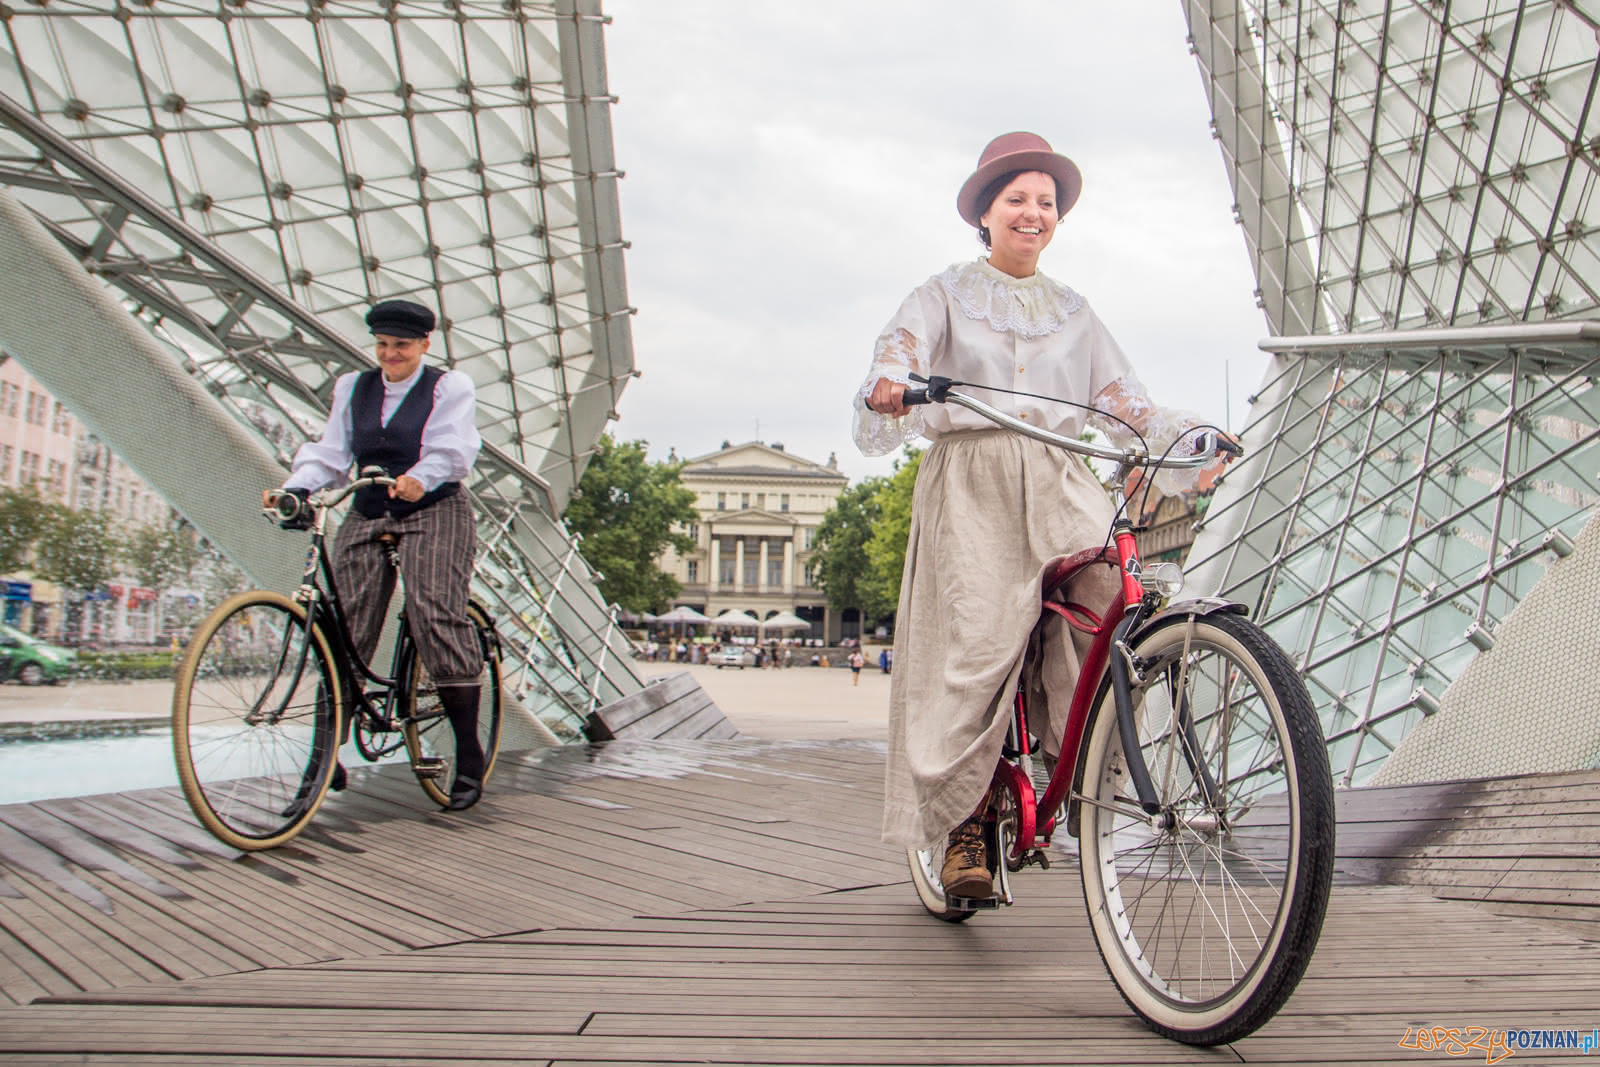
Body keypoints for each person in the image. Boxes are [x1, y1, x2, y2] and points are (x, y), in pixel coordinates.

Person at [855, 132, 1229, 900]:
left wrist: (1189, 437)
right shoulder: (943, 294)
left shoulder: (1074, 312)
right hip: (975, 483)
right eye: (1016, 199)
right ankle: (966, 821)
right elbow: (897, 352)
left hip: (1061, 483)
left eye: (1046, 202)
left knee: (1108, 601)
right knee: (978, 646)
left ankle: (1074, 771)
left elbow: (1126, 405)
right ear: (985, 214)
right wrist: (893, 380)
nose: (1033, 213)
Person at [267, 298, 487, 812]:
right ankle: (326, 756)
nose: (390, 355)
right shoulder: (353, 387)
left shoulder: (448, 386)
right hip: (369, 506)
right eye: (383, 345)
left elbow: (452, 449)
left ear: (425, 345)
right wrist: (295, 488)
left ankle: (470, 755)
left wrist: (419, 479)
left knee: (434, 612)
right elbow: (333, 452)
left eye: (402, 346)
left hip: (433, 506)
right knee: (344, 627)